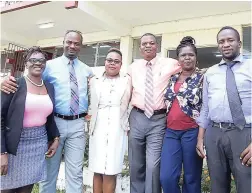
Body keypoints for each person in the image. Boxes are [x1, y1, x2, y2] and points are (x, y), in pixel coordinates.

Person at [0, 30, 93, 193]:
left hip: (78, 124)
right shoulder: (49, 66)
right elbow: (30, 80)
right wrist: (3, 81)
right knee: (49, 173)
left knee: (76, 172)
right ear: (63, 43)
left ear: (81, 46)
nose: (72, 46)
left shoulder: (87, 70)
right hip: (55, 122)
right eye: (69, 42)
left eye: (76, 43)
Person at [196, 26, 251, 193]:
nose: (226, 44)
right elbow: (205, 107)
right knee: (218, 186)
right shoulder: (210, 73)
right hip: (215, 134)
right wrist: (200, 139)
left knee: (246, 185)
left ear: (239, 43)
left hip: (244, 133)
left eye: (230, 40)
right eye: (221, 41)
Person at [0, 46, 60, 193]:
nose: (38, 63)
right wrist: (2, 152)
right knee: (7, 189)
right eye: (33, 60)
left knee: (26, 189)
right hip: (14, 145)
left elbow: (49, 117)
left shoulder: (49, 87)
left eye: (41, 60)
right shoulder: (14, 84)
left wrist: (56, 138)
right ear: (26, 63)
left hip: (38, 144)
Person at [128, 33, 181, 193]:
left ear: (157, 46)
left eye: (151, 43)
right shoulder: (133, 67)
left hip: (158, 119)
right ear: (140, 48)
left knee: (153, 165)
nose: (148, 46)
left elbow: (188, 67)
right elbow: (126, 93)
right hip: (137, 117)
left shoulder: (170, 63)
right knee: (136, 163)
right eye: (144, 44)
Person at [160, 36, 205, 193]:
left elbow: (206, 107)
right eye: (183, 55)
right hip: (171, 132)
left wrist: (201, 137)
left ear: (195, 57)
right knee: (166, 177)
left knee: (191, 178)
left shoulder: (203, 78)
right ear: (178, 58)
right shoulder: (172, 78)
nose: (187, 58)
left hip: (192, 132)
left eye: (190, 55)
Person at [88, 48, 131, 193]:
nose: (112, 64)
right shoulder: (94, 80)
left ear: (121, 64)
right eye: (109, 60)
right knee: (97, 167)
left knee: (111, 168)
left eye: (116, 61)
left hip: (117, 125)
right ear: (105, 62)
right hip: (98, 124)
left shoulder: (127, 80)